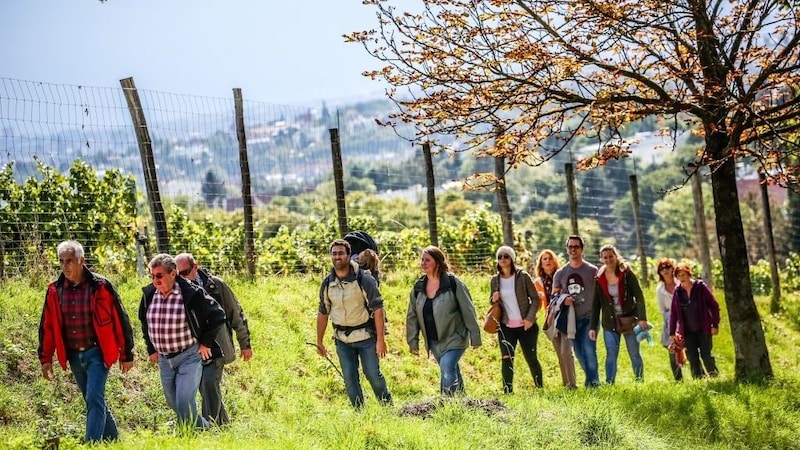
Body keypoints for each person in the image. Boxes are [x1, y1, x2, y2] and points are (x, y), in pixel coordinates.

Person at [37, 240, 135, 443]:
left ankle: (91, 444)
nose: (65, 266)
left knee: (93, 397)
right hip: (73, 354)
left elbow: (120, 319)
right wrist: (45, 358)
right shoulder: (55, 290)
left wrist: (127, 354)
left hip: (97, 352)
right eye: (61, 261)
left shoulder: (101, 286)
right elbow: (47, 325)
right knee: (92, 399)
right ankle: (112, 439)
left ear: (82, 261)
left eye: (70, 261)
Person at [139, 254, 227, 429]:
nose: (155, 280)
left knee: (184, 401)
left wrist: (206, 343)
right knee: (174, 403)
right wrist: (151, 349)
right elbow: (144, 321)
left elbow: (218, 315)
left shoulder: (191, 293)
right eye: (152, 276)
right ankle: (206, 429)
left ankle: (190, 437)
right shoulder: (149, 295)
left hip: (189, 356)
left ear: (173, 274)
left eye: (159, 275)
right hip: (165, 359)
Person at [175, 253, 253, 426]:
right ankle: (223, 426)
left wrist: (245, 344)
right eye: (176, 274)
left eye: (185, 272)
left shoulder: (216, 285)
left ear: (195, 267)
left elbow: (236, 314)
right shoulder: (176, 291)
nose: (181, 278)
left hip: (218, 347)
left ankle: (209, 428)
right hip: (194, 350)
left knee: (208, 383)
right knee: (207, 388)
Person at [316, 239, 392, 408]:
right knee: (350, 379)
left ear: (349, 255)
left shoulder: (364, 279)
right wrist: (319, 341)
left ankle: (387, 408)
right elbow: (323, 312)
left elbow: (378, 309)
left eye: (341, 253)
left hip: (366, 337)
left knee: (372, 374)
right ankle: (360, 414)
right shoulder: (327, 283)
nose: (337, 257)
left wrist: (381, 339)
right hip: (342, 340)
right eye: (334, 253)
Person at [406, 245, 482, 396]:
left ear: (438, 262)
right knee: (451, 370)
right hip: (434, 340)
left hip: (455, 336)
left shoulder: (453, 284)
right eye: (422, 260)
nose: (423, 263)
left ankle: (447, 404)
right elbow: (412, 316)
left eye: (427, 260)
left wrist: (475, 336)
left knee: (447, 366)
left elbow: (468, 310)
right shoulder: (418, 287)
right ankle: (462, 402)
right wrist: (412, 341)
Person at [589, 245, 648, 384]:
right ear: (601, 259)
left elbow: (639, 296)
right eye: (605, 257)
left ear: (616, 256)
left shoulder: (626, 273)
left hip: (629, 320)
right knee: (611, 354)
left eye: (611, 256)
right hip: (610, 322)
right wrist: (593, 327)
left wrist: (642, 318)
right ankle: (610, 383)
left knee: (634, 353)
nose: (608, 259)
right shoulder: (599, 278)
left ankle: (639, 382)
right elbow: (595, 304)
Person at [489, 245, 543, 393]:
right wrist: (493, 299)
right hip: (506, 326)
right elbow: (493, 302)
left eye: (505, 256)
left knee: (531, 358)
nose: (502, 259)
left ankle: (539, 388)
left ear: (512, 259)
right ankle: (508, 391)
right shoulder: (494, 280)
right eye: (499, 257)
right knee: (506, 358)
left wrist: (530, 319)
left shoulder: (523, 276)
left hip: (526, 326)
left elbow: (536, 299)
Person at [552, 235, 600, 387]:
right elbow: (553, 296)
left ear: (582, 249)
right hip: (570, 320)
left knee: (589, 351)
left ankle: (593, 385)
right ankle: (592, 382)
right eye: (570, 247)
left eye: (576, 247)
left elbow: (600, 294)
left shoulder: (592, 271)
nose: (573, 249)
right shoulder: (560, 273)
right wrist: (563, 299)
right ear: (567, 249)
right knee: (579, 354)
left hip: (589, 318)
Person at [669, 263, 721, 379]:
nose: (682, 278)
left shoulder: (700, 287)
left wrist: (715, 324)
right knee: (692, 356)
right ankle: (698, 379)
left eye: (684, 274)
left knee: (706, 355)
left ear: (689, 274)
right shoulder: (678, 292)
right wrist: (672, 333)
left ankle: (715, 377)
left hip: (704, 328)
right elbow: (674, 313)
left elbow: (714, 305)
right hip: (687, 331)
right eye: (679, 275)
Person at [535, 249, 576, 389]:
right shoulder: (538, 282)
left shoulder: (562, 276)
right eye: (544, 259)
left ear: (555, 261)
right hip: (551, 317)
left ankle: (572, 384)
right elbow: (539, 305)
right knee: (559, 353)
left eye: (550, 258)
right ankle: (566, 384)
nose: (547, 261)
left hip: (564, 315)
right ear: (540, 263)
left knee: (566, 351)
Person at [655, 257, 683, 381]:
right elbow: (662, 310)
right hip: (670, 320)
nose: (665, 270)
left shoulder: (681, 283)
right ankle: (678, 379)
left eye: (667, 267)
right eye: (662, 268)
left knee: (693, 350)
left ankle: (700, 376)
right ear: (659, 272)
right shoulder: (660, 290)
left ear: (673, 268)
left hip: (685, 319)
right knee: (672, 351)